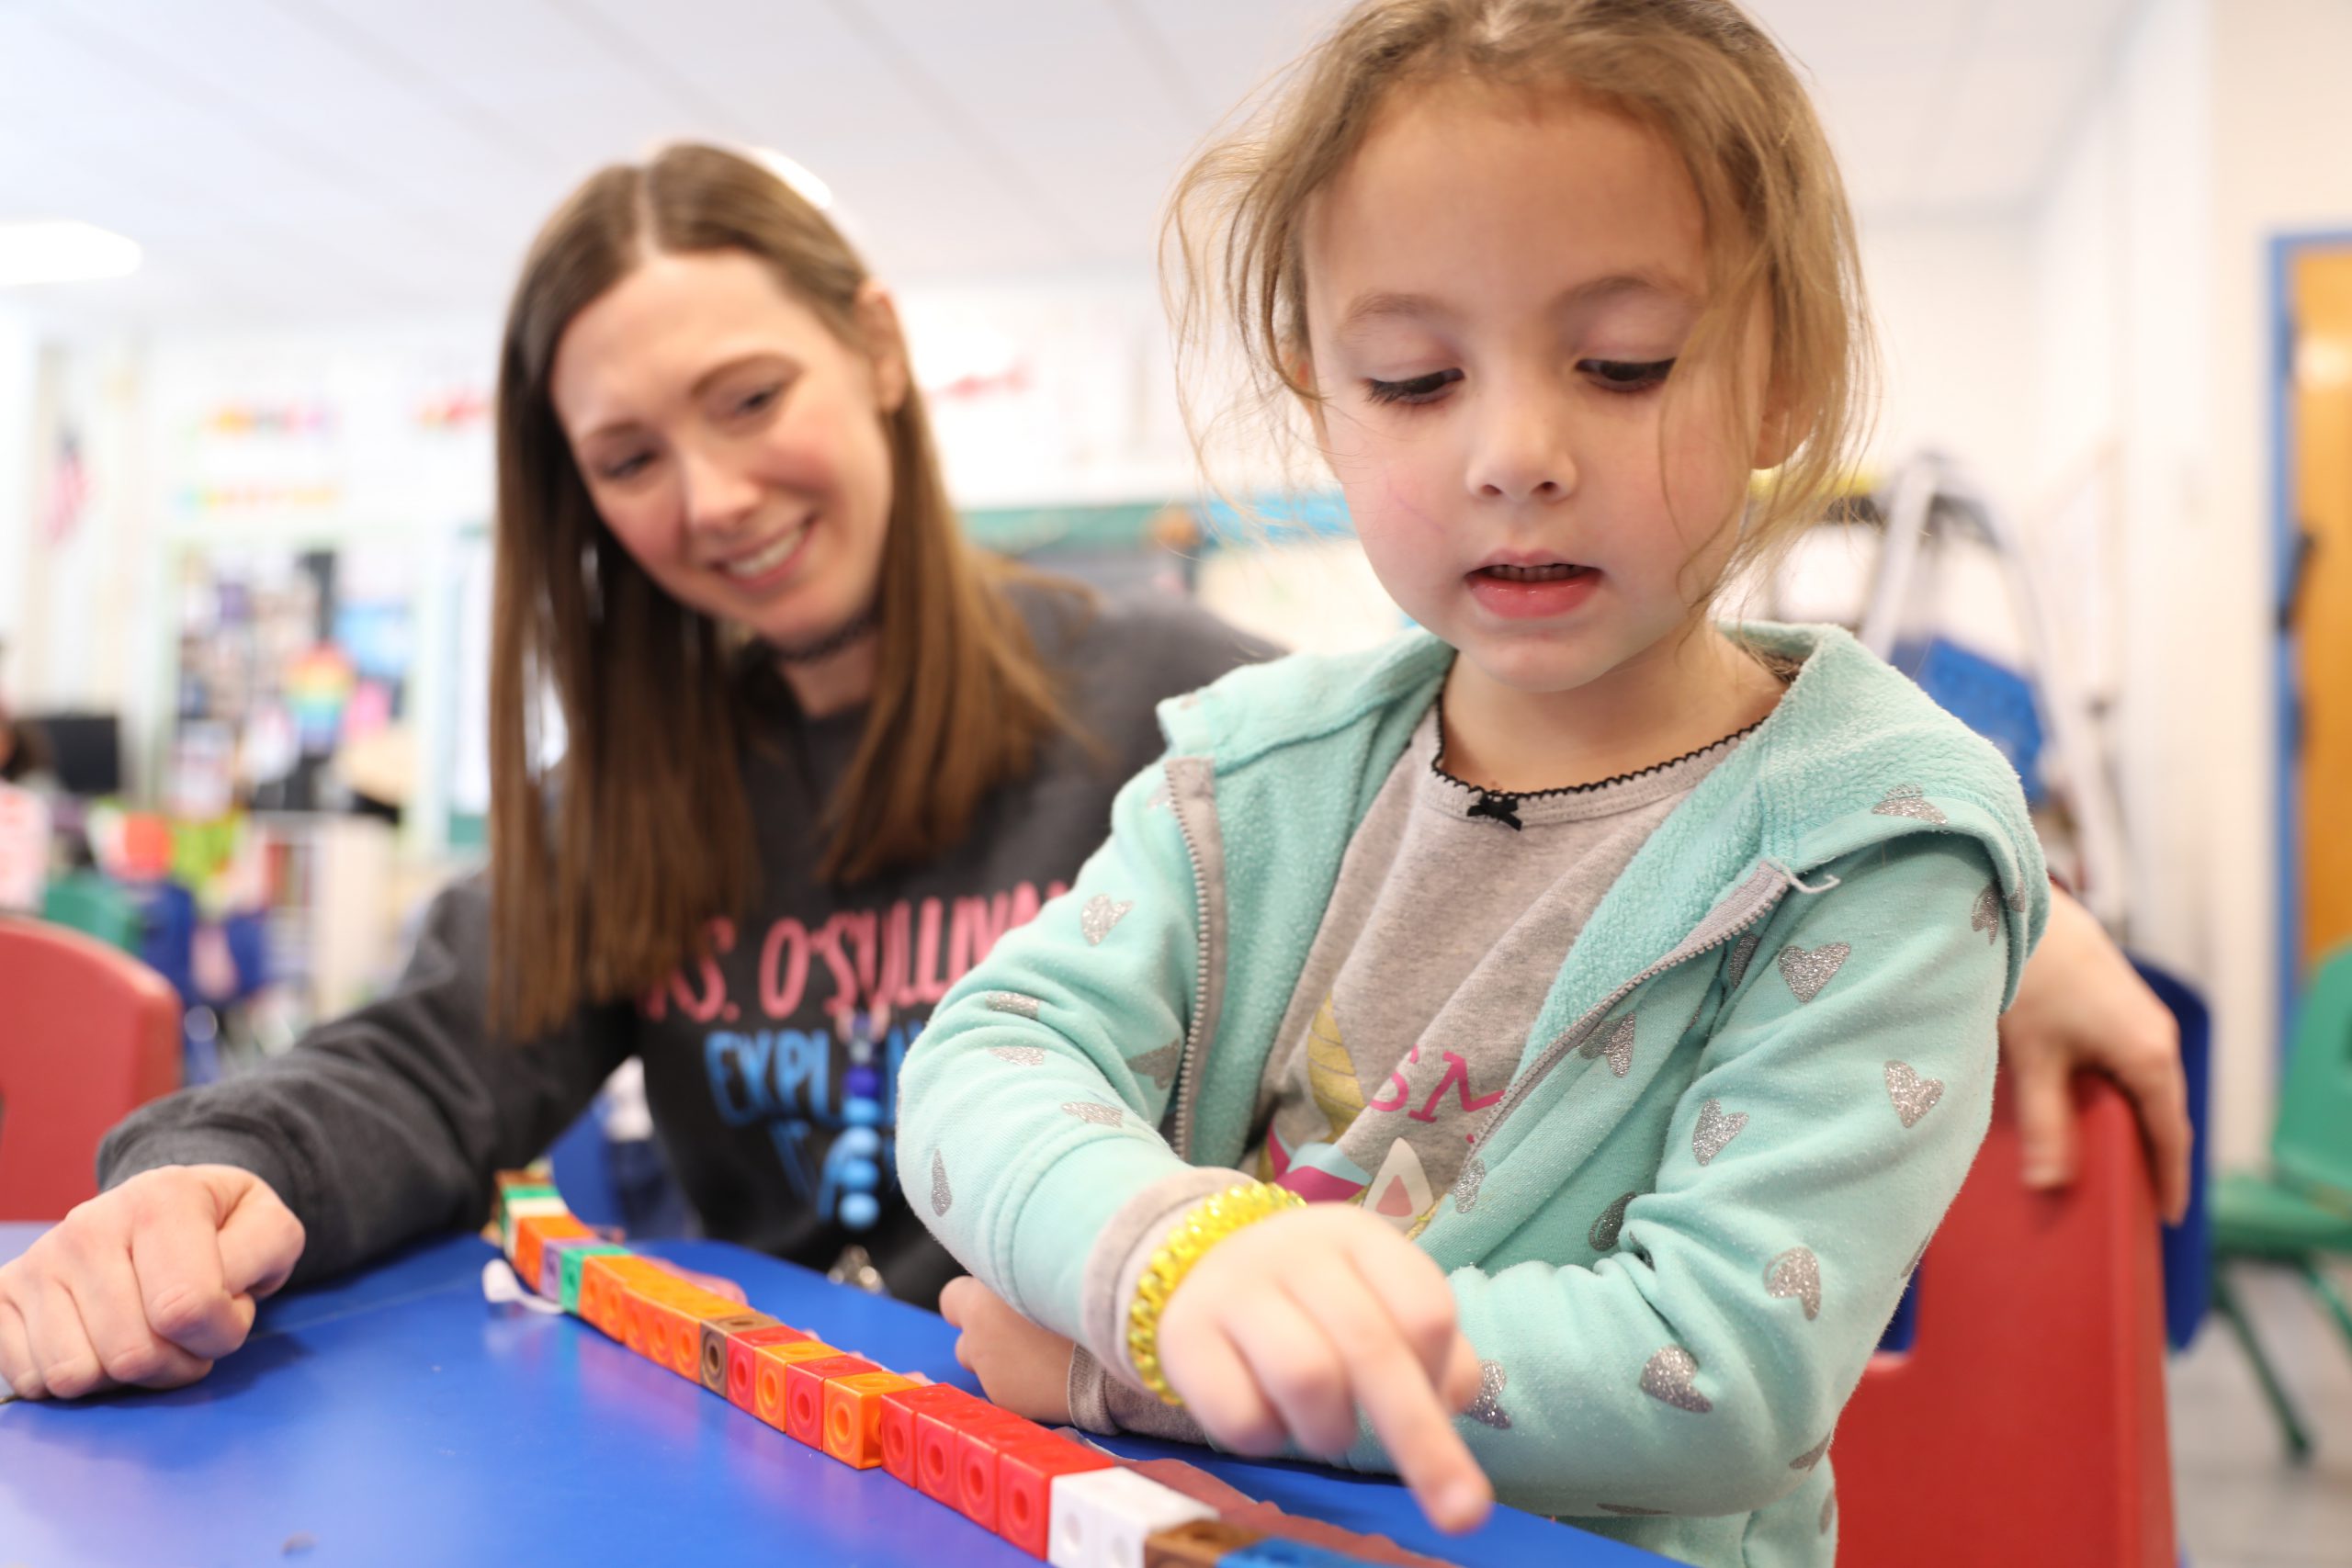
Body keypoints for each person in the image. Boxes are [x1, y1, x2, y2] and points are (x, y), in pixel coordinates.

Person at [0, 123, 2183, 1415]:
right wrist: (191, 1169)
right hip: (807, 1437)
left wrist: (1997, 892)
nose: (715, 494)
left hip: (1145, 1440)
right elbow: (415, 1065)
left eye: (750, 397)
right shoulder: (636, 793)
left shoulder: (1181, 706)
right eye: (628, 458)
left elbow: (1544, 775)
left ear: (870, 342)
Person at [896, 4, 2135, 1562]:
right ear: (1325, 404)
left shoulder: (1877, 846)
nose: (1517, 451)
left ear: (1785, 381)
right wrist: (1175, 1268)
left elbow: (1717, 1372)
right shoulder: (1255, 770)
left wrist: (1136, 1373)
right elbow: (984, 1056)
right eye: (1415, 380)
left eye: (1624, 364)